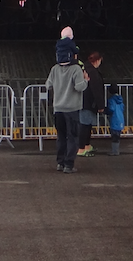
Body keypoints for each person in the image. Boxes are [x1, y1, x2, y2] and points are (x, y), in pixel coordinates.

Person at [45, 34, 87, 173]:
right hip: (72, 109)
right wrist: (86, 79)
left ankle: (60, 162)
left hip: (58, 108)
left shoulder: (54, 69)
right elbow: (80, 87)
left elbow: (48, 85)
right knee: (73, 137)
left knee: (61, 137)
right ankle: (69, 164)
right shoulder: (75, 69)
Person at [78, 51, 106, 158]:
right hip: (89, 103)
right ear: (97, 60)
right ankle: (82, 148)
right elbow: (96, 90)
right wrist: (101, 105)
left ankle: (86, 146)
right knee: (85, 125)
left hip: (83, 101)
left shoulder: (84, 69)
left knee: (86, 124)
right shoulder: (93, 72)